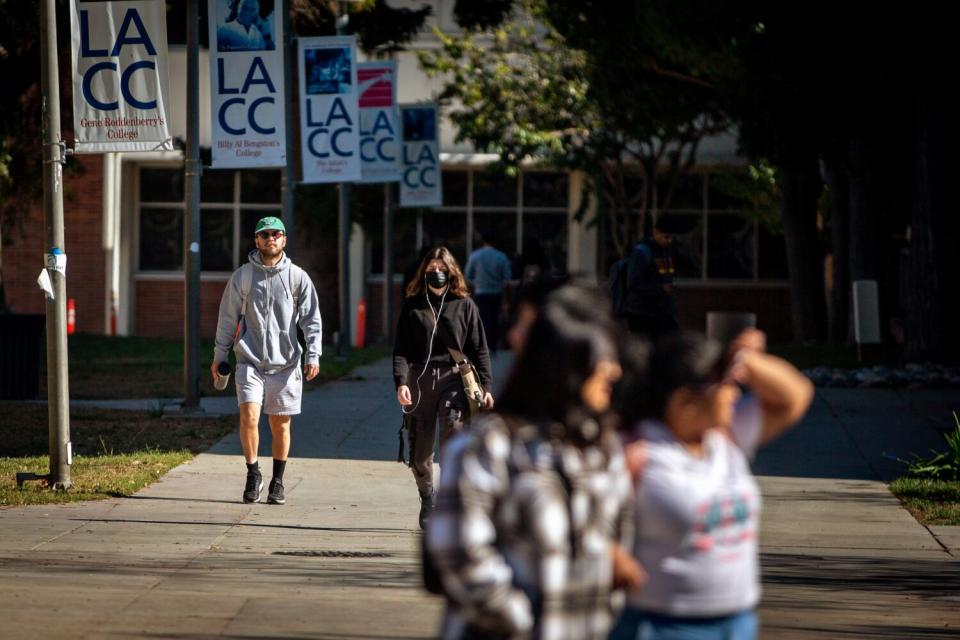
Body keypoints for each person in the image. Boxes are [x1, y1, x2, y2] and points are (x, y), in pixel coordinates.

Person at [426, 286, 645, 640]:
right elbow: (458, 551)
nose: (615, 371)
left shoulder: (600, 446)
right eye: (602, 359)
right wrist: (522, 620)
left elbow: (616, 542)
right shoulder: (488, 445)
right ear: (568, 366)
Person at [610, 330, 814, 640]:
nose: (734, 394)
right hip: (663, 626)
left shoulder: (725, 439)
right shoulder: (639, 451)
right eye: (725, 385)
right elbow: (580, 515)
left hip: (737, 622)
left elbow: (795, 397)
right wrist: (612, 556)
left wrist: (746, 360)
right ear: (685, 401)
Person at [211, 216, 322, 505]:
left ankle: (278, 481)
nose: (270, 238)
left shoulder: (298, 277)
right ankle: (253, 472)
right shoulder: (243, 277)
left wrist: (313, 354)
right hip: (249, 361)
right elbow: (227, 319)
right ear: (256, 240)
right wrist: (220, 355)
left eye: (275, 234)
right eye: (264, 235)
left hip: (286, 365)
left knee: (280, 425)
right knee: (248, 417)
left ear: (284, 239)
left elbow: (312, 320)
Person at [393, 246, 494, 529]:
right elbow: (400, 350)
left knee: (453, 437)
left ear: (452, 273)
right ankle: (428, 498)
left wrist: (486, 386)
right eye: (431, 270)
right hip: (420, 381)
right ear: (423, 273)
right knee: (420, 455)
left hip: (454, 379)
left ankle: (451, 503)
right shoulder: (413, 305)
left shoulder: (465, 305)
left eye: (441, 270)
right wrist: (401, 382)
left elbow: (479, 349)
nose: (436, 274)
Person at [621, 218, 679, 342]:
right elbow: (633, 284)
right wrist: (660, 289)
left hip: (662, 312)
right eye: (666, 237)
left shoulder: (665, 251)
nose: (669, 241)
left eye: (671, 238)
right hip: (644, 314)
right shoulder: (642, 252)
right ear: (656, 232)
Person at [465, 229, 512, 351]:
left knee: (484, 319)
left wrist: (476, 283)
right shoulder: (501, 256)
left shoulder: (475, 256)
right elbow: (507, 277)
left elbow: (468, 276)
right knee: (495, 319)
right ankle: (494, 344)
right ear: (494, 241)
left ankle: (484, 345)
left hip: (481, 292)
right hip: (497, 292)